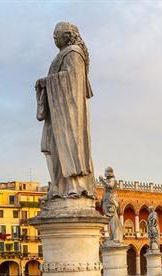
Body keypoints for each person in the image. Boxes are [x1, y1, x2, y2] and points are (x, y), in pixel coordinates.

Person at [36, 21, 96, 200]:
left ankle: (73, 186)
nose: (54, 37)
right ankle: (57, 186)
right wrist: (46, 84)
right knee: (49, 146)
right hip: (57, 114)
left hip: (69, 115)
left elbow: (72, 81)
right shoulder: (64, 54)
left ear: (68, 35)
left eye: (57, 34)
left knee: (67, 147)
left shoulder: (74, 54)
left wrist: (46, 82)